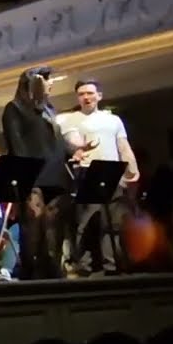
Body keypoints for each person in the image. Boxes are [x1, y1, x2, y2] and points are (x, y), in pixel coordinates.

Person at [56, 78, 139, 274]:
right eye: (82, 94)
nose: (86, 97)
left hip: (113, 173)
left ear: (99, 96)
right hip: (88, 172)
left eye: (90, 93)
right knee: (88, 222)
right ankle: (86, 266)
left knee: (113, 224)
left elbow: (123, 146)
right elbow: (72, 141)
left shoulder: (113, 120)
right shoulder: (71, 119)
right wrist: (80, 147)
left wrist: (132, 170)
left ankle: (111, 265)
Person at [1, 66, 76, 280]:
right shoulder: (14, 108)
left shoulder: (49, 108)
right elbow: (17, 145)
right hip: (33, 175)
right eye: (45, 79)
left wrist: (75, 151)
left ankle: (51, 268)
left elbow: (56, 141)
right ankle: (30, 273)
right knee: (33, 225)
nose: (50, 83)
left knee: (53, 227)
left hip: (55, 174)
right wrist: (25, 177)